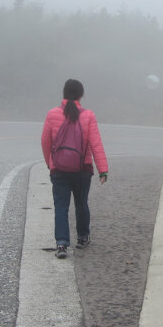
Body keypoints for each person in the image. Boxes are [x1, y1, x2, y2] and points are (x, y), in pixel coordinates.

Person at [41, 79, 108, 259]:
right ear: (81, 95)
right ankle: (82, 237)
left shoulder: (52, 114)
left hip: (59, 169)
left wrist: (50, 163)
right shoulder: (88, 116)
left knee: (61, 207)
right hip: (82, 169)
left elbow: (46, 142)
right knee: (81, 204)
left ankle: (62, 244)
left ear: (64, 94)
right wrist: (103, 169)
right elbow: (96, 144)